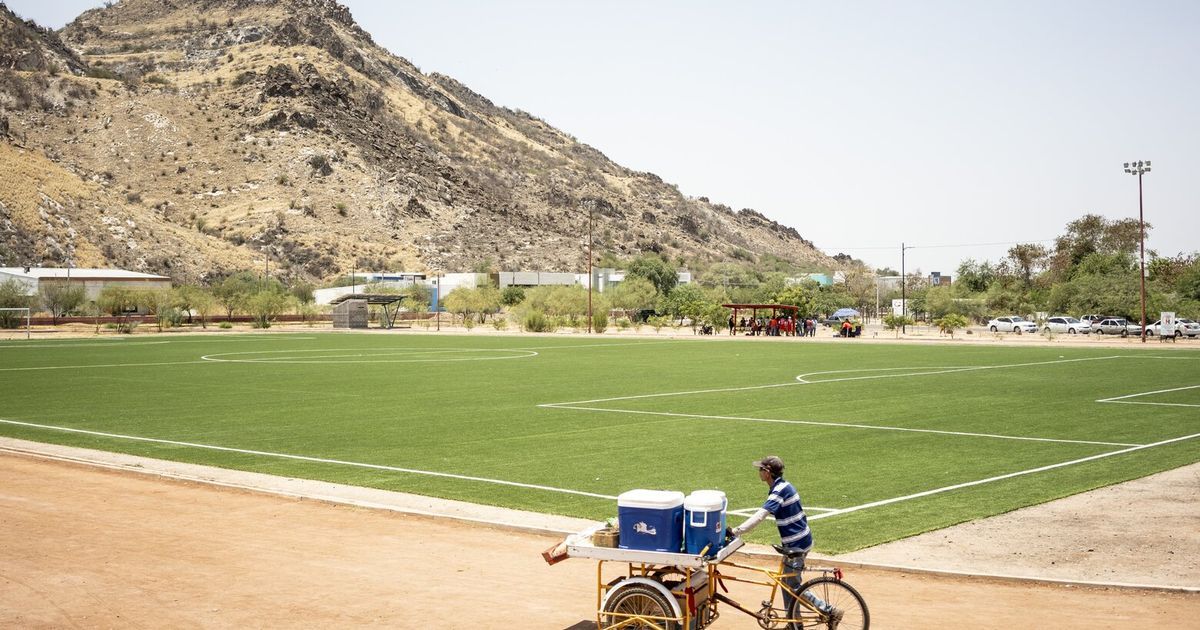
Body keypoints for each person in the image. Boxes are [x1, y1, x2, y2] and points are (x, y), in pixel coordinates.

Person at [729, 456, 842, 626]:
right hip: (801, 540)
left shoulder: (779, 491)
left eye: (761, 469)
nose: (758, 472)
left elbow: (761, 515)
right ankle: (794, 623)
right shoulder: (784, 486)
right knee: (786, 582)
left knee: (794, 586)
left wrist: (737, 532)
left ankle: (828, 609)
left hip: (796, 544)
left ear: (767, 473)